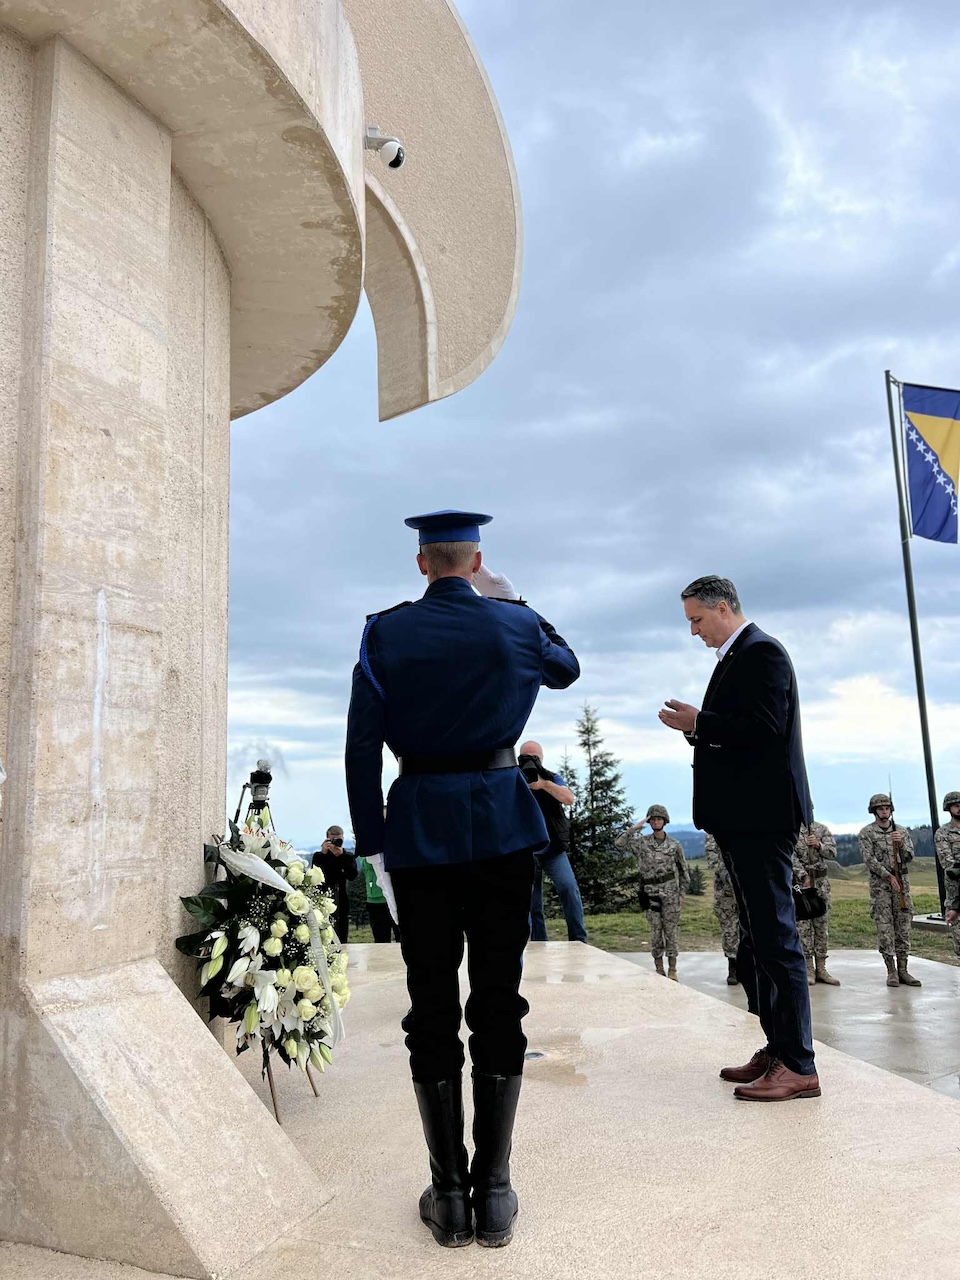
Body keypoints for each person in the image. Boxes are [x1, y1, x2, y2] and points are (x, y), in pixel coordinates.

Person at [345, 510, 579, 1249]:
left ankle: (449, 1195)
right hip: (504, 828)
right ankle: (495, 1191)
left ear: (422, 563)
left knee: (431, 1003)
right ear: (477, 561)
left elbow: (361, 749)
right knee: (499, 1000)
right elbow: (567, 667)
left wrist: (374, 845)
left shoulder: (384, 633)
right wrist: (513, 600)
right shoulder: (517, 623)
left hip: (419, 832)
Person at [659, 575, 819, 1103]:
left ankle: (799, 1064)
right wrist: (697, 727)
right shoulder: (737, 656)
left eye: (697, 620)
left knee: (776, 938)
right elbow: (742, 728)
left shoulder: (761, 652)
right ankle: (777, 1048)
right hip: (743, 819)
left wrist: (700, 721)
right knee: (756, 940)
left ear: (723, 607)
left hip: (763, 819)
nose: (694, 631)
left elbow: (764, 728)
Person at [520, 740, 587, 944]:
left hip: (553, 849)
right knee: (532, 903)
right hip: (527, 850)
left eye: (535, 758)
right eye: (526, 758)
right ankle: (537, 943)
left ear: (541, 759)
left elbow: (568, 798)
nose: (530, 762)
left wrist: (544, 784)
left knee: (568, 888)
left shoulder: (551, 777)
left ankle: (578, 940)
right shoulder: (514, 778)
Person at [615, 805, 689, 979]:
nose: (656, 822)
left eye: (659, 819)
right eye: (653, 819)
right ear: (649, 822)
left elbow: (684, 871)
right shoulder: (641, 843)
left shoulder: (674, 845)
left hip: (670, 893)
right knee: (655, 931)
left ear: (665, 821)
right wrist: (635, 827)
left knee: (670, 931)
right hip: (650, 893)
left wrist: (682, 894)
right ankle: (659, 969)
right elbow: (619, 844)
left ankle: (672, 969)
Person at [858, 794, 920, 987]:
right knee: (885, 929)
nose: (884, 812)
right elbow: (869, 859)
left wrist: (900, 844)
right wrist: (887, 876)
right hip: (881, 887)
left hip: (902, 886)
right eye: (881, 809)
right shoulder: (867, 833)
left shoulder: (900, 831)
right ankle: (891, 971)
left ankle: (903, 969)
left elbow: (909, 856)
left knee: (903, 928)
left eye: (887, 808)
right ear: (874, 811)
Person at [793, 821, 840, 986]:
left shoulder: (821, 829)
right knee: (804, 928)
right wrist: (802, 874)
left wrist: (819, 845)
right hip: (802, 886)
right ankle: (808, 969)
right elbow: (789, 856)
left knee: (821, 927)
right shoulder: (791, 829)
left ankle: (821, 968)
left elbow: (832, 853)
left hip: (821, 885)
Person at [311, 826, 358, 943]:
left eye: (339, 840)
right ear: (327, 839)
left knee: (342, 937)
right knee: (324, 937)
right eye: (333, 840)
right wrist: (324, 854)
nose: (336, 843)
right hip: (323, 899)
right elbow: (315, 877)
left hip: (341, 901)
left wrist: (341, 856)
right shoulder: (319, 856)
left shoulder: (347, 856)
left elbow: (352, 876)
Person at [704, 834, 740, 985]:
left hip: (749, 883)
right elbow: (712, 856)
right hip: (725, 889)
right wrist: (726, 873)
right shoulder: (714, 830)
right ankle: (733, 966)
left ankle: (751, 966)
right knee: (729, 929)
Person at [359, 854, 401, 942]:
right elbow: (367, 864)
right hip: (376, 900)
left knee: (402, 937)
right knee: (381, 939)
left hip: (397, 896)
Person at [939, 790, 960, 958]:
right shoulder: (943, 833)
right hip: (955, 894)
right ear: (949, 808)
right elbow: (949, 864)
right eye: (956, 806)